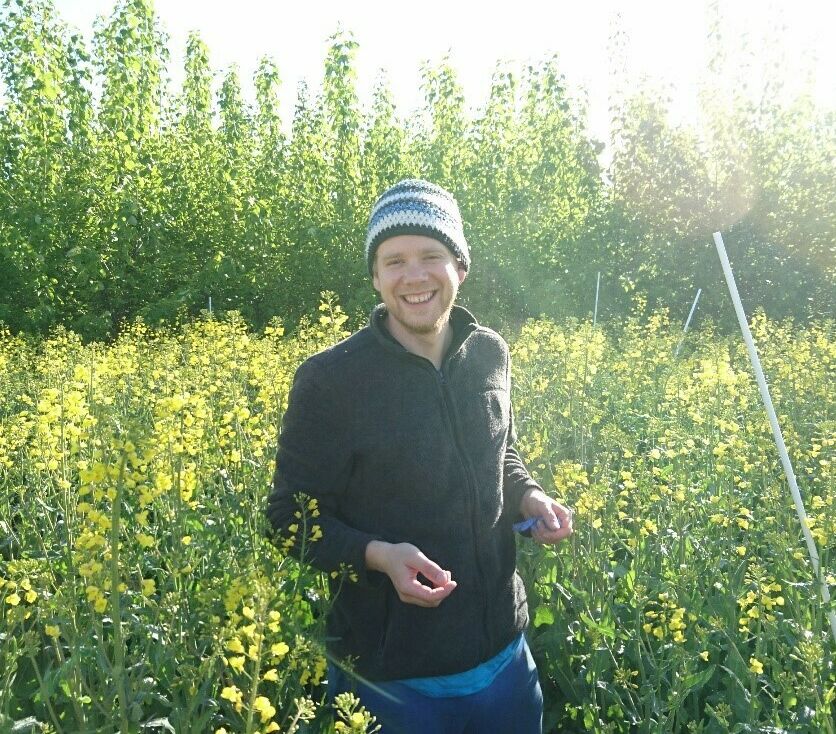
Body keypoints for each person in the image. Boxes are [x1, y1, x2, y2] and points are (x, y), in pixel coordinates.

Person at [267, 179, 574, 733]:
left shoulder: (489, 354)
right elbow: (288, 517)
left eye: (431, 255)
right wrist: (379, 555)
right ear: (376, 277)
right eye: (394, 260)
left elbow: (499, 452)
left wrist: (529, 494)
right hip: (392, 680)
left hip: (506, 658)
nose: (414, 276)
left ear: (459, 266)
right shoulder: (330, 382)